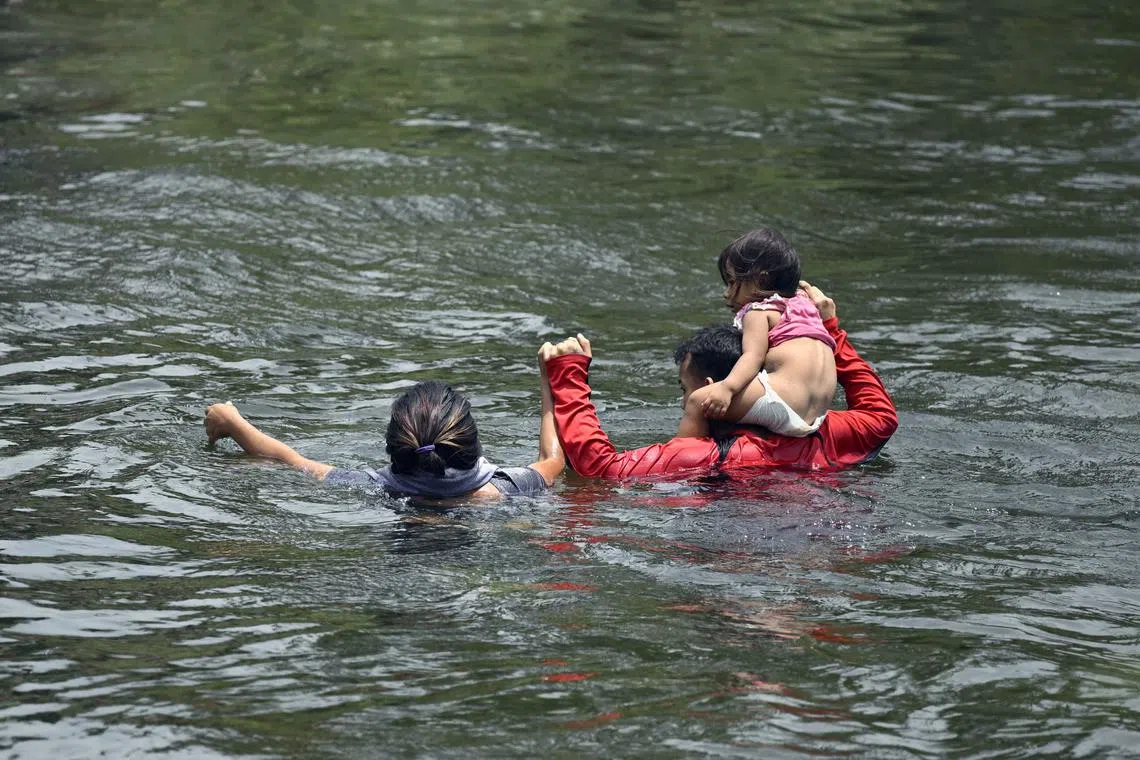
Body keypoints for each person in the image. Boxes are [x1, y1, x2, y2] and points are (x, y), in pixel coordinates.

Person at [538, 282, 897, 478]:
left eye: (685, 389)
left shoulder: (707, 456)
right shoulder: (824, 432)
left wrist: (568, 376)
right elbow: (881, 417)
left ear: (710, 386)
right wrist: (829, 330)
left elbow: (600, 469)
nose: (683, 402)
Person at [204, 363, 564, 499]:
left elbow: (290, 461)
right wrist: (551, 377)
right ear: (471, 443)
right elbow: (553, 459)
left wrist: (233, 422)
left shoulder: (375, 488)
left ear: (395, 450)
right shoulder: (509, 487)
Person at [677, 229, 837, 440]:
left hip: (787, 403)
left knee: (698, 401)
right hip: (819, 411)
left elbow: (753, 356)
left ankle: (677, 453)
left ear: (761, 281)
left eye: (733, 282)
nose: (727, 293)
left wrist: (727, 388)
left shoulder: (758, 312)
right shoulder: (805, 306)